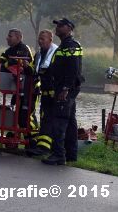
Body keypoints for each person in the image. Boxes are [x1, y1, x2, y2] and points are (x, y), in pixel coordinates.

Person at [43, 18, 84, 165]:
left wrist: (65, 88)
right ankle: (71, 154)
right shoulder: (65, 45)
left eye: (61, 26)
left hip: (66, 89)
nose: (58, 28)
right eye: (57, 25)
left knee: (59, 121)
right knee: (71, 122)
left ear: (69, 28)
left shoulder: (70, 46)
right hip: (67, 87)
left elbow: (73, 69)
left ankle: (58, 155)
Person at [0, 29, 37, 140]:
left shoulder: (24, 49)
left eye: (10, 36)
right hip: (19, 87)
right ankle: (18, 136)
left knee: (27, 114)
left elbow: (18, 63)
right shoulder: (9, 50)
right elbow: (0, 63)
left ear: (18, 38)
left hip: (29, 87)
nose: (7, 38)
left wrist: (6, 64)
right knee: (17, 113)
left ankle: (33, 140)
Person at [26, 29, 58, 156]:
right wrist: (26, 66)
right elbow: (34, 69)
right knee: (45, 119)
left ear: (51, 40)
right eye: (39, 39)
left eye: (42, 39)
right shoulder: (39, 54)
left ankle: (45, 148)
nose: (40, 41)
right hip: (44, 92)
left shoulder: (56, 53)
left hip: (55, 93)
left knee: (51, 120)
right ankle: (42, 146)